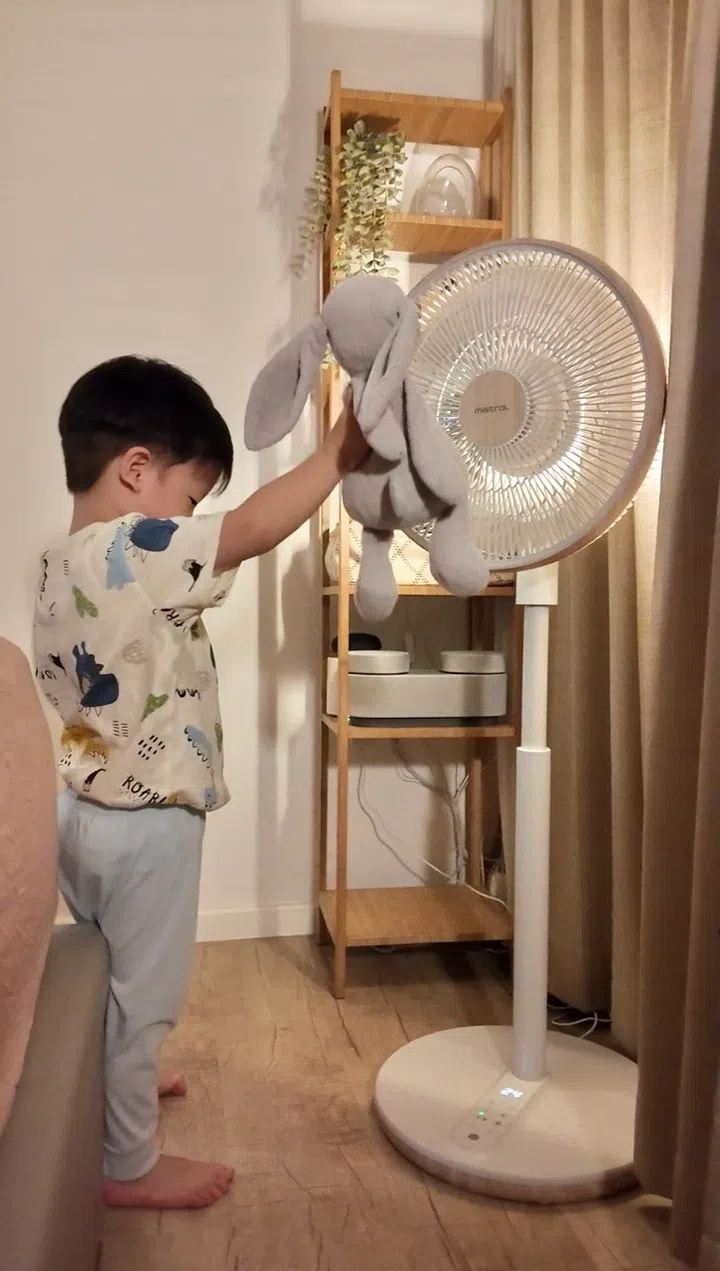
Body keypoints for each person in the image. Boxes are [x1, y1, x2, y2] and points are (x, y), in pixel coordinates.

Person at [33, 355, 366, 1210]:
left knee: (107, 977)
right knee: (144, 999)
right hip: (148, 825)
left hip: (78, 812)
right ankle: (128, 1164)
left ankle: (122, 1079)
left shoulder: (57, 563)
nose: (192, 518)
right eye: (190, 498)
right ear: (136, 469)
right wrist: (337, 453)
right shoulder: (133, 546)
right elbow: (251, 528)